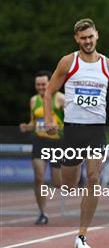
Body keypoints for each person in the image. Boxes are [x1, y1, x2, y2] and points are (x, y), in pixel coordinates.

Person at [44, 18, 109, 248]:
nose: (87, 41)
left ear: (97, 35)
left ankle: (82, 234)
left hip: (96, 130)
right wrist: (49, 119)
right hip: (73, 130)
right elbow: (49, 93)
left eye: (90, 37)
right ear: (76, 39)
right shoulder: (69, 62)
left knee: (94, 178)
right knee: (68, 185)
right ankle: (65, 169)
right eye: (83, 38)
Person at [19, 70, 64, 225]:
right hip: (39, 141)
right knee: (38, 177)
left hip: (57, 143)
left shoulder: (60, 98)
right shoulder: (34, 100)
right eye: (38, 85)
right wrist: (27, 126)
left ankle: (77, 177)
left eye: (43, 84)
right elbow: (34, 121)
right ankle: (42, 213)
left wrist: (59, 129)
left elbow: (70, 124)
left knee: (58, 183)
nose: (41, 87)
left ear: (51, 83)